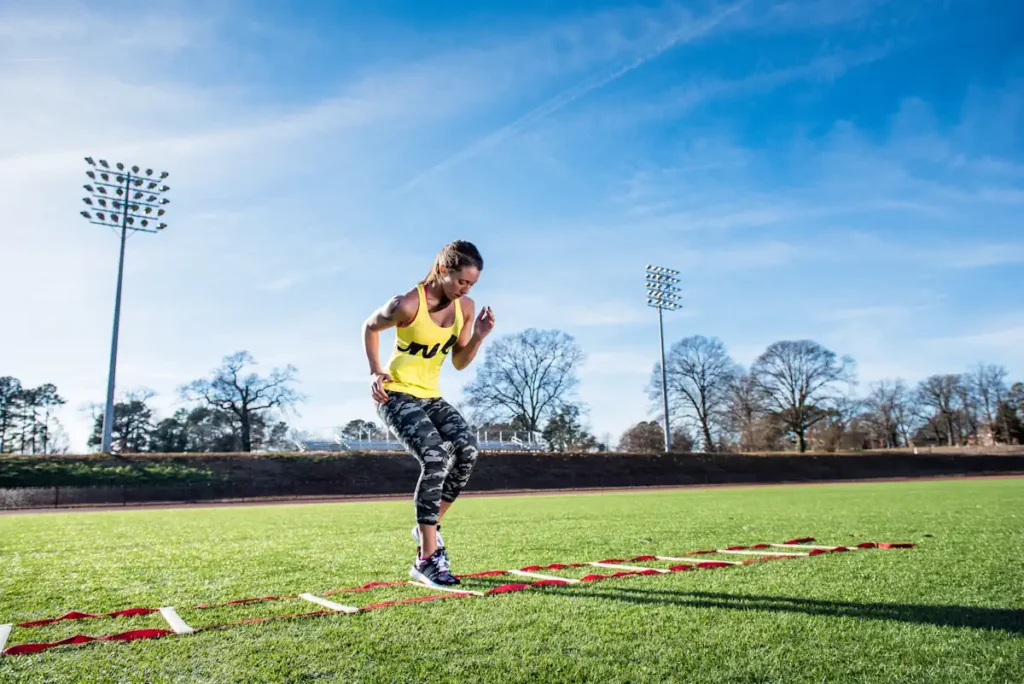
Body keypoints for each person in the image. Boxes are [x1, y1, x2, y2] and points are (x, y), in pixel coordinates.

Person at [362, 240, 495, 587]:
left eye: (471, 284)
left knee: (467, 450)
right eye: (461, 281)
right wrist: (375, 371)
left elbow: (459, 361)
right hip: (397, 393)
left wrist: (478, 335)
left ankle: (428, 526)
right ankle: (426, 559)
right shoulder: (406, 304)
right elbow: (369, 327)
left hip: (431, 396)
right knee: (434, 458)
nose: (465, 289)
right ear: (442, 270)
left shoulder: (465, 307)